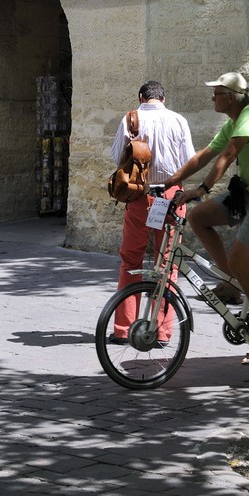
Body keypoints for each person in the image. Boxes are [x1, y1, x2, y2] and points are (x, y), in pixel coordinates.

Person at [165, 71, 249, 366]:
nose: (212, 97)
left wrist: (202, 188)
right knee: (199, 218)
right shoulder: (233, 122)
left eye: (217, 93)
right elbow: (204, 156)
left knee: (240, 260)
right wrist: (169, 182)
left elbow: (227, 156)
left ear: (232, 97)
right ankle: (232, 283)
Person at [108, 81, 194, 342]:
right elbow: (189, 160)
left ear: (141, 97)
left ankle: (124, 329)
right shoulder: (178, 120)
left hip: (140, 196)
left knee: (131, 260)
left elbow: (116, 157)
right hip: (171, 195)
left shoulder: (130, 120)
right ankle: (162, 331)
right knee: (167, 263)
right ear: (163, 99)